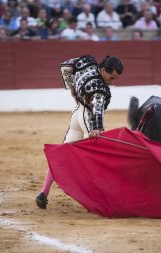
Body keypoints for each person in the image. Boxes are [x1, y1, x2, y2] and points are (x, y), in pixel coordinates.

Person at [36, 55, 124, 209]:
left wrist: (71, 87)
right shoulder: (100, 87)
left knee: (62, 154)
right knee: (92, 161)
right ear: (103, 70)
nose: (112, 82)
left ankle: (44, 192)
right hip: (88, 120)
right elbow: (97, 107)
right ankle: (93, 202)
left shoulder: (87, 63)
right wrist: (97, 128)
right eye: (111, 77)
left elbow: (66, 65)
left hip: (76, 114)